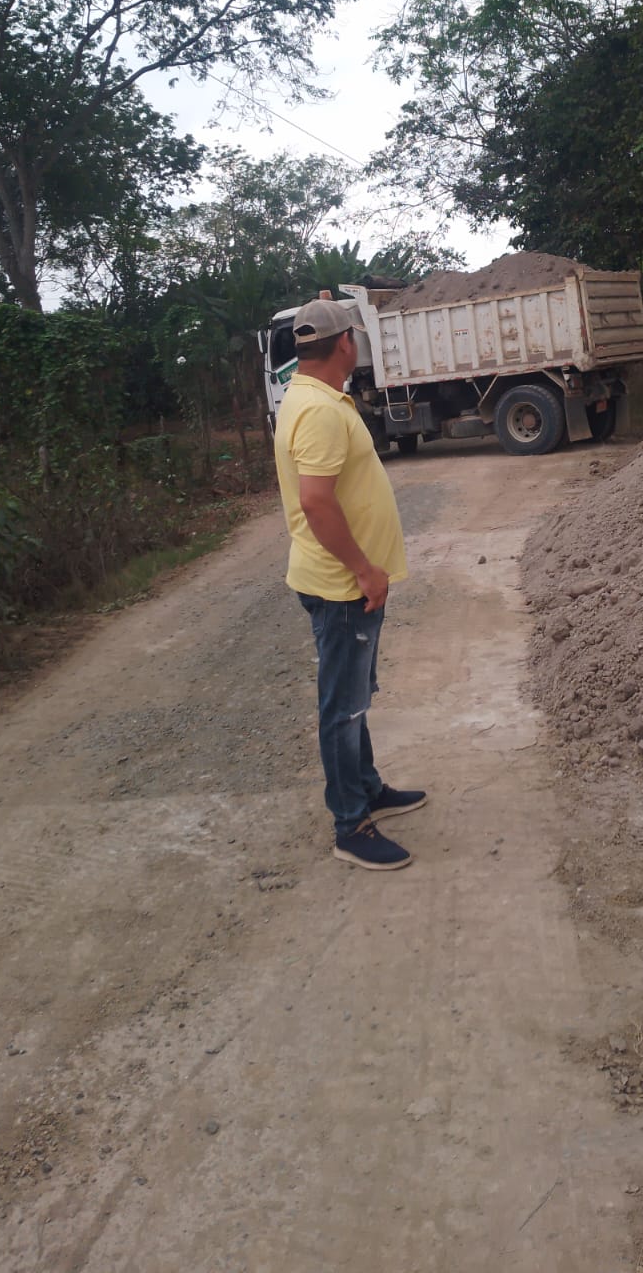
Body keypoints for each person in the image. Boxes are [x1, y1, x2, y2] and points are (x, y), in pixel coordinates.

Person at [273, 297, 426, 870]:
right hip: (342, 586)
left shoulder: (311, 397)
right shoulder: (318, 410)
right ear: (344, 343)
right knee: (342, 708)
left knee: (355, 700)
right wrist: (364, 569)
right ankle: (351, 825)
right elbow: (316, 502)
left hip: (345, 583)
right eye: (355, 337)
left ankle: (367, 788)